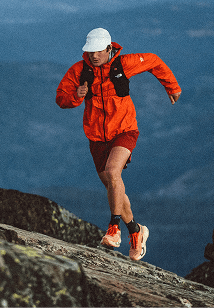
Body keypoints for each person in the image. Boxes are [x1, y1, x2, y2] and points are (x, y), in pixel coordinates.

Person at [56, 28, 181, 261]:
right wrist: (77, 95)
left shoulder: (124, 64)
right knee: (112, 184)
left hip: (125, 130)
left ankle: (114, 229)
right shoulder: (79, 70)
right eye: (90, 51)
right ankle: (136, 230)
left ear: (109, 49)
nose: (94, 56)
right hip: (97, 137)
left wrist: (171, 87)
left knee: (113, 172)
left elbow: (153, 61)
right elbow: (61, 98)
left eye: (98, 51)